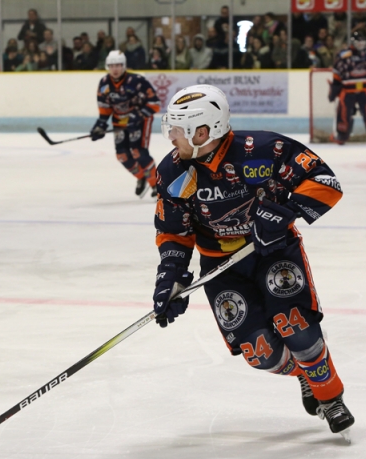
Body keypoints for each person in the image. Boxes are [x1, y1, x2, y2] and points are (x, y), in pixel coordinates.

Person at [152, 85, 355, 439]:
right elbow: (173, 232)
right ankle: (306, 374)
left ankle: (330, 395)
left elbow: (326, 182)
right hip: (221, 268)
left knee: (297, 327)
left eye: (177, 130)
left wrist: (284, 213)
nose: (170, 138)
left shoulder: (263, 150)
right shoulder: (172, 173)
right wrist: (171, 276)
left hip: (274, 253)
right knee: (260, 353)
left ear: (204, 132)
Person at [90, 50, 161, 198]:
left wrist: (138, 115)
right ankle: (141, 177)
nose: (115, 69)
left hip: (141, 121)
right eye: (112, 65)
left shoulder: (137, 81)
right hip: (120, 121)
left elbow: (155, 103)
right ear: (107, 66)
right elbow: (105, 108)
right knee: (122, 155)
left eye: (118, 65)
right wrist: (100, 126)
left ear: (124, 66)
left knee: (138, 152)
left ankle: (156, 185)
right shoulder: (104, 84)